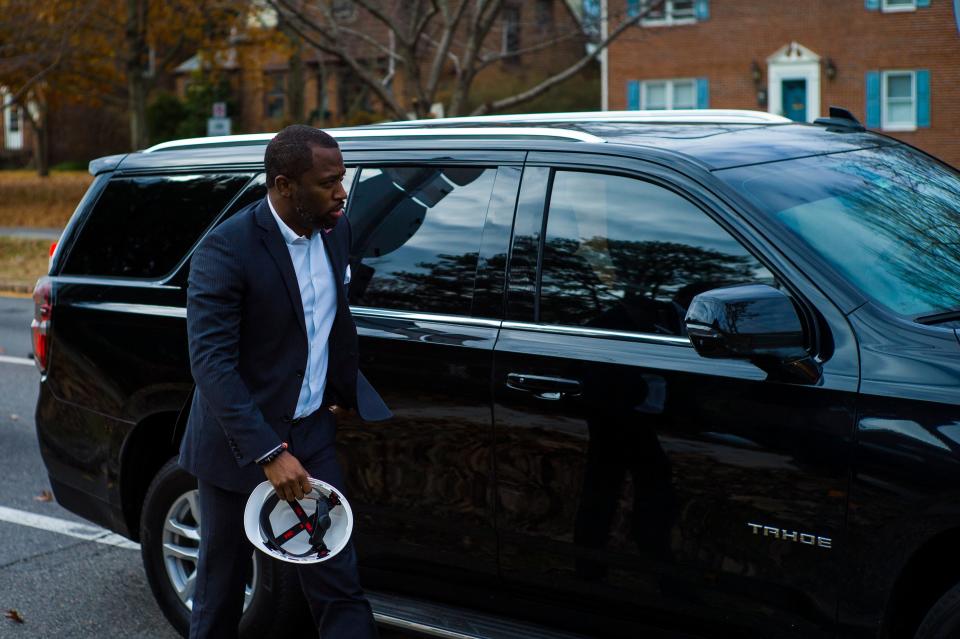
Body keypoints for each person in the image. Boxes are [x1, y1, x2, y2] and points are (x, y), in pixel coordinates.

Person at [179, 124, 391, 639]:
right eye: (328, 182)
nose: (342, 192)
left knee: (338, 582)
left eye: (343, 179)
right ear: (283, 185)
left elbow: (330, 320)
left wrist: (334, 390)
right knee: (221, 593)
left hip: (311, 434)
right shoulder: (226, 250)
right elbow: (211, 364)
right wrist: (269, 453)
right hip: (238, 448)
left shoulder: (336, 228)